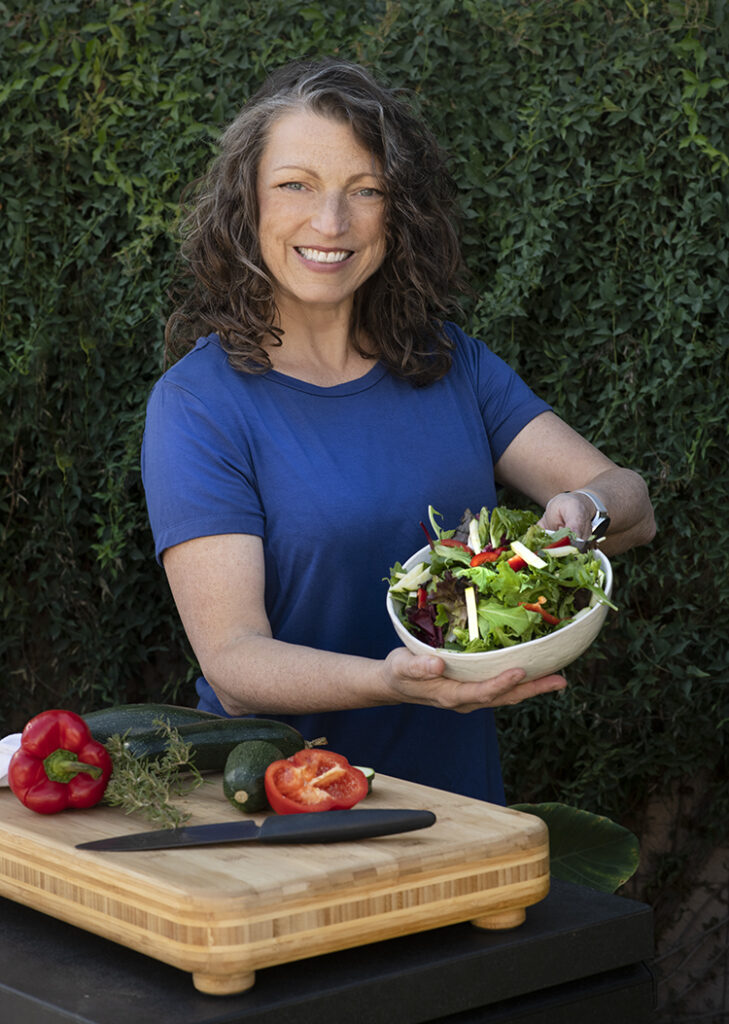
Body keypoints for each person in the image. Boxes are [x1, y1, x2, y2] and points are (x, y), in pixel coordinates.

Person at [141, 58, 655, 804]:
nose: (330, 223)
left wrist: (587, 513)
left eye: (366, 191)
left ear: (398, 213)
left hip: (459, 801)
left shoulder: (448, 364)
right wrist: (392, 682)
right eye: (296, 185)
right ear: (245, 202)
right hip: (289, 800)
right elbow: (233, 660)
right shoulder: (200, 404)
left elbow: (630, 504)